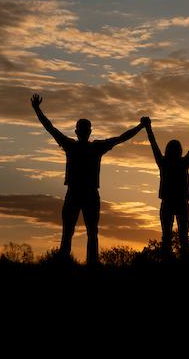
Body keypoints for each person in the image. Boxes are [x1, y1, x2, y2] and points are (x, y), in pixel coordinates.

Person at [30, 94, 146, 266]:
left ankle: (81, 264)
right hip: (81, 194)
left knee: (83, 233)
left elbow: (51, 128)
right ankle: (74, 264)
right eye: (83, 129)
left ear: (81, 132)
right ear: (82, 131)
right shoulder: (87, 146)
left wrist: (140, 126)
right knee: (79, 233)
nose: (83, 132)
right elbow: (121, 138)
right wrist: (140, 126)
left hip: (83, 194)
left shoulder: (81, 146)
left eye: (84, 129)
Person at [142, 116, 189, 258]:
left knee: (169, 238)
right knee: (180, 239)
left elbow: (154, 145)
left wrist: (148, 128)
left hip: (172, 203)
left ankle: (169, 263)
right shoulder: (181, 163)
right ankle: (179, 264)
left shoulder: (165, 163)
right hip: (178, 203)